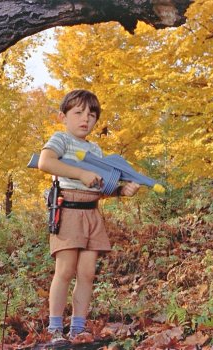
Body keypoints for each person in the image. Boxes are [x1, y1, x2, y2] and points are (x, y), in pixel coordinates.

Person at [37, 89, 140, 343]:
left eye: (92, 115)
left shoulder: (95, 149)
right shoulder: (61, 139)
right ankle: (55, 330)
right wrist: (80, 174)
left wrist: (121, 191)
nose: (86, 119)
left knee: (86, 273)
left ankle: (78, 329)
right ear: (63, 116)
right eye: (78, 113)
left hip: (92, 215)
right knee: (64, 271)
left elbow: (101, 187)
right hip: (68, 212)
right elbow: (45, 162)